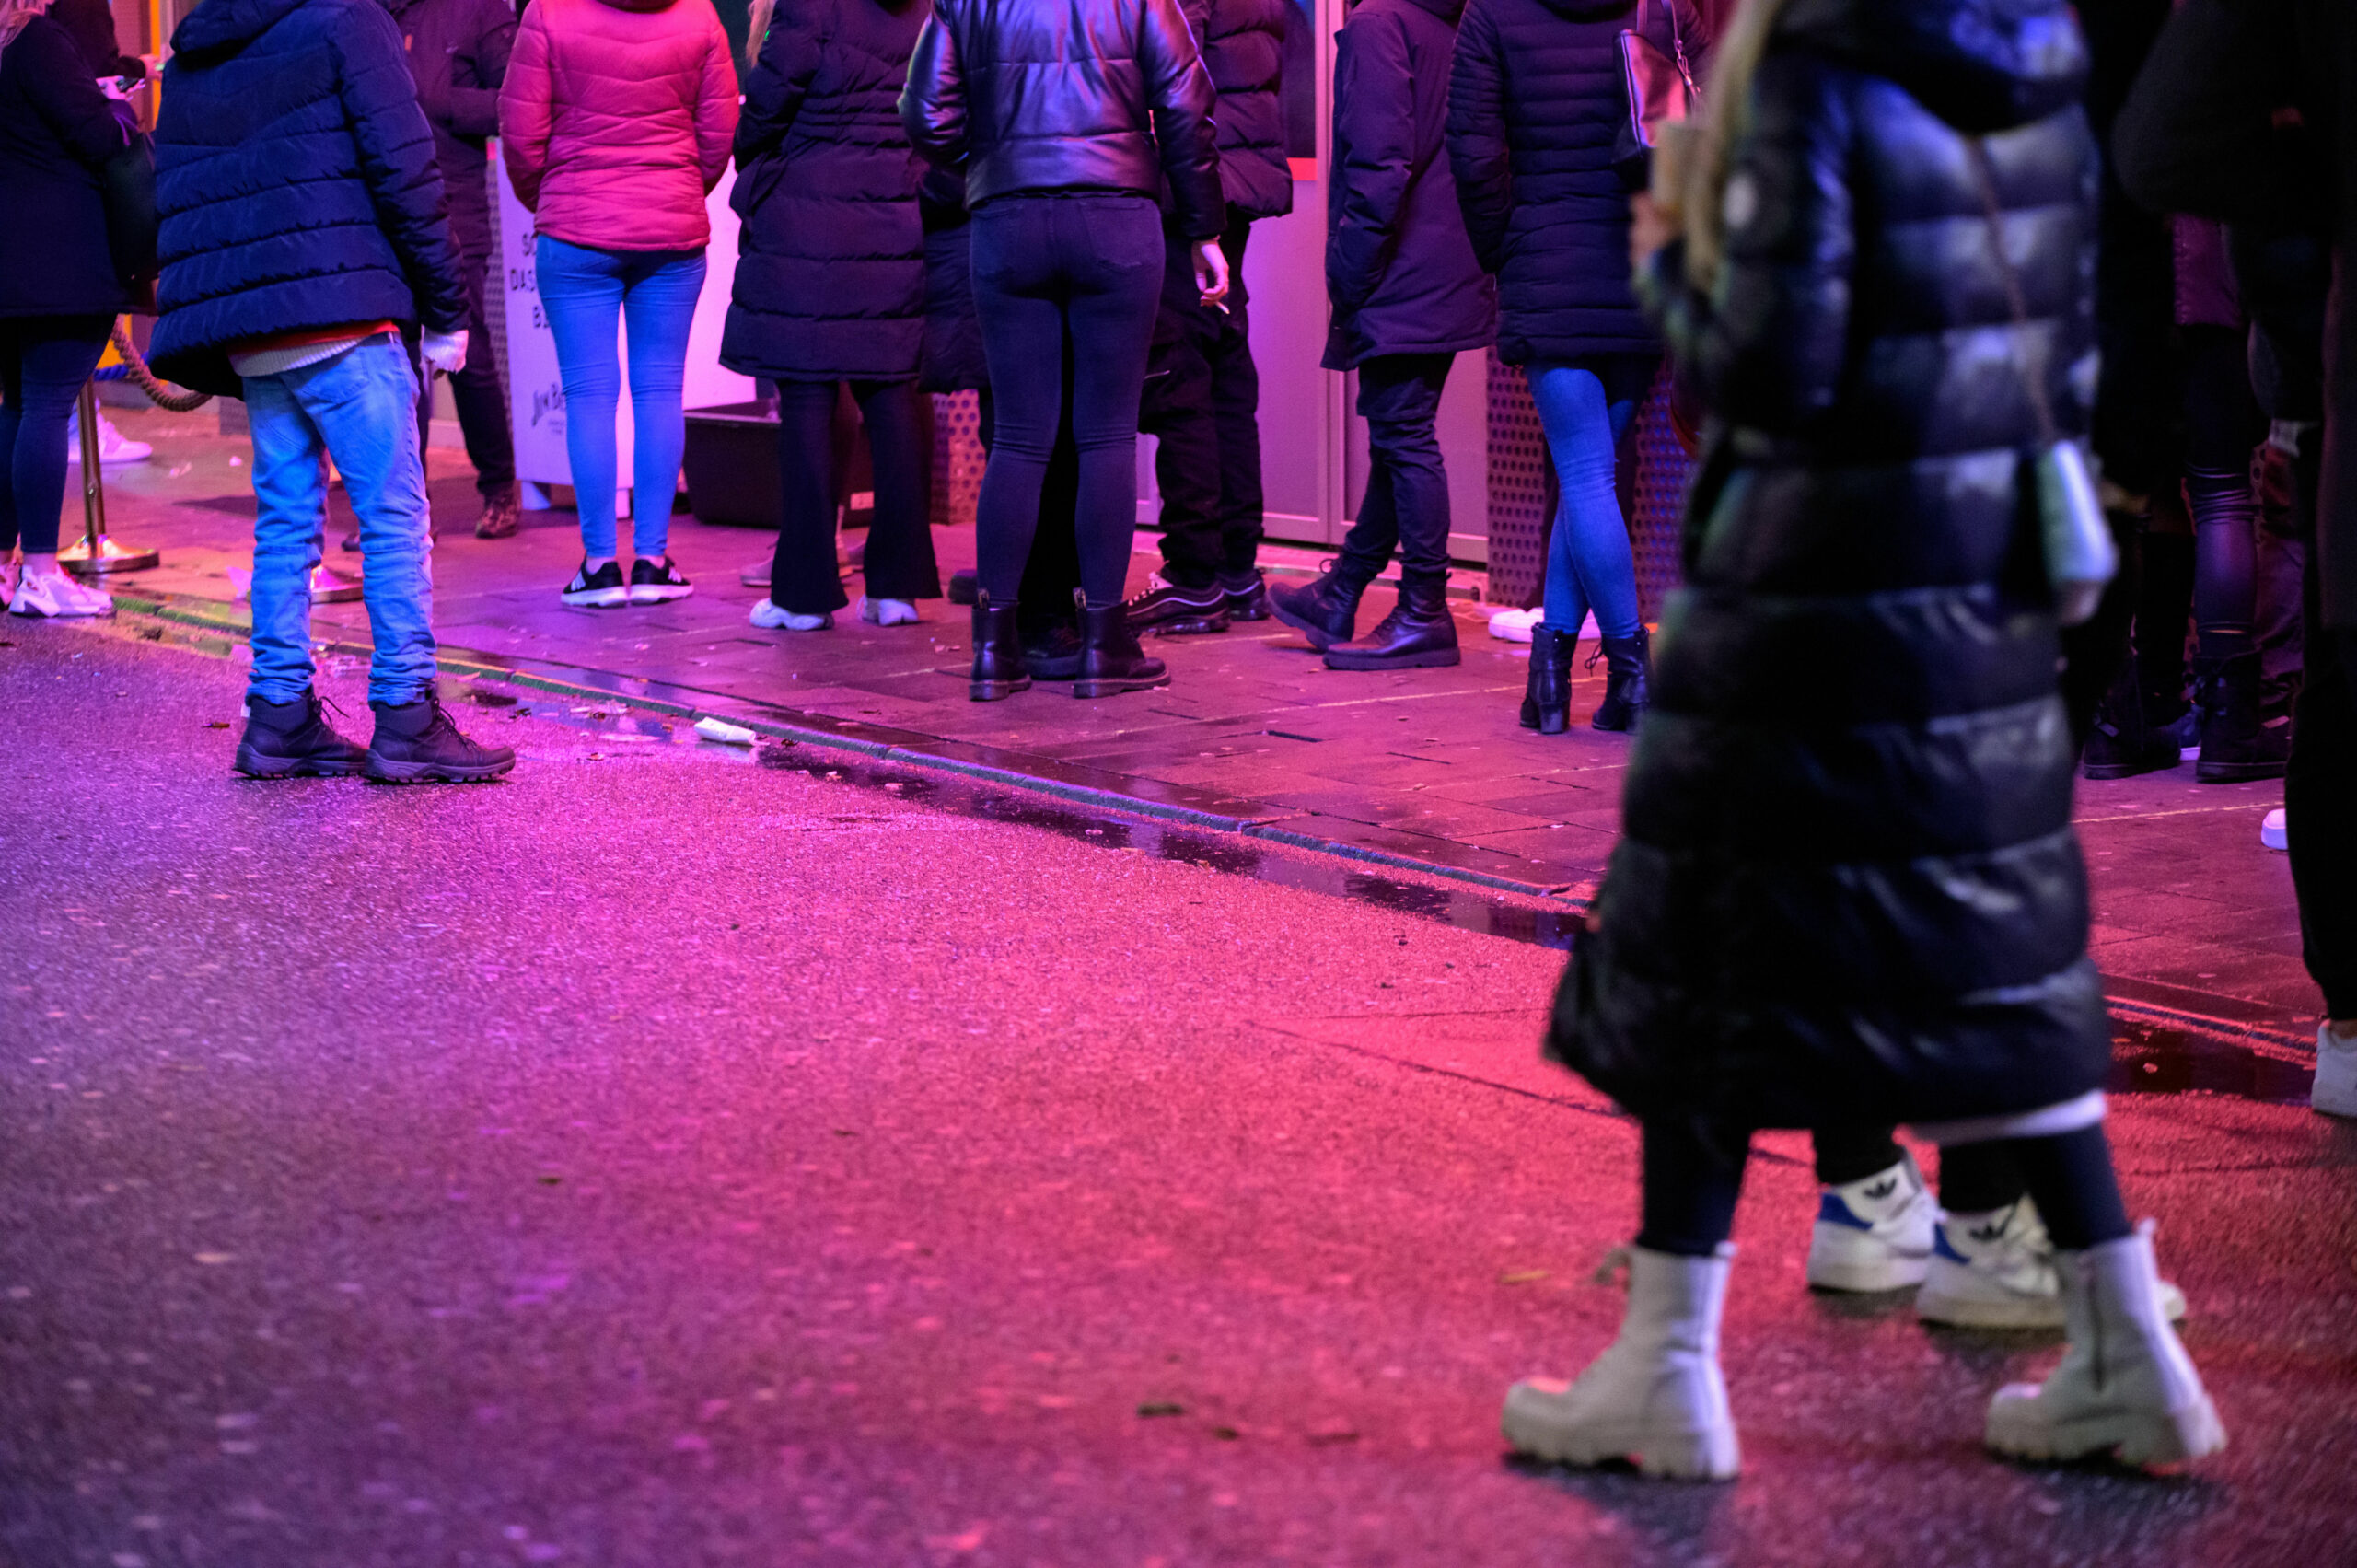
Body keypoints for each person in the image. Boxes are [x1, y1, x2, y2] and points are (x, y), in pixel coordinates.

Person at [1513, 0, 2223, 1479]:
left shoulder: (1821, 68)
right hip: (1970, 581)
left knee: (1708, 942)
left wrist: (1671, 240)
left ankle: (1665, 1365)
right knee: (1985, 953)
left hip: (1815, 587)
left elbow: (1776, 369)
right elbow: (2067, 327)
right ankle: (2125, 1346)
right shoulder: (2027, 58)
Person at [149, 0, 514, 782]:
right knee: (392, 517)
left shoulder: (192, 53)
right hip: (347, 313)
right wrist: (449, 308)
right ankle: (408, 716)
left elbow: (177, 191)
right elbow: (406, 169)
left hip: (255, 329)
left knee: (284, 524)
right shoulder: (348, 21)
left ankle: (277, 718)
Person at [2113, 0, 2357, 1118]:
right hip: (2236, 310)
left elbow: (2160, 140)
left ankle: (2168, 708)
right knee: (2218, 504)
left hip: (2191, 312)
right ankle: (2220, 714)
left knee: (2195, 508)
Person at [900, 0, 1227, 702]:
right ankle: (1104, 646)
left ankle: (995, 651)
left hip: (1007, 218)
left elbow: (925, 114)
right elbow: (1185, 104)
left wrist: (996, 163)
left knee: (1019, 438)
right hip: (1116, 213)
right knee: (1107, 434)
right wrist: (1204, 228)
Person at [1447, 0, 1701, 729]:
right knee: (1588, 472)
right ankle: (1549, 679)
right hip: (1635, 263)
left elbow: (1472, 149)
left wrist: (1506, 246)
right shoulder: (1658, 3)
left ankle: (1633, 675)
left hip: (1547, 261)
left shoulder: (1491, 14)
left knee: (1584, 475)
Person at [1268, 0, 1494, 672]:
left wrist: (1348, 268)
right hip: (1447, 260)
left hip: (1402, 265)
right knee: (1403, 431)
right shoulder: (1446, 24)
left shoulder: (1378, 24)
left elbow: (1377, 161)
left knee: (1404, 435)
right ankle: (1342, 589)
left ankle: (1424, 609)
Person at [501, 0, 737, 609]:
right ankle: (655, 562)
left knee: (589, 395)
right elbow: (717, 135)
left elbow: (520, 137)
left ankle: (600, 567)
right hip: (672, 232)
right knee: (660, 392)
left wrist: (553, 198)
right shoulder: (700, 16)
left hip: (576, 231)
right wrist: (679, 188)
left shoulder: (549, 13)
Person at [725, 0, 940, 633]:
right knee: (895, 395)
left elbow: (768, 99)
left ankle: (803, 593)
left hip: (807, 221)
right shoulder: (924, 6)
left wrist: (751, 160)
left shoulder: (809, 3)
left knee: (809, 402)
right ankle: (896, 588)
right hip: (896, 210)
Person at [1123, 0, 1293, 636]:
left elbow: (1172, 70)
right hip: (1243, 174)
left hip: (1195, 179)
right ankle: (1238, 567)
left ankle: (1194, 575)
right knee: (1224, 365)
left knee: (1182, 379)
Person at [347, 0, 521, 545]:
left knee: (469, 353)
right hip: (379, 212)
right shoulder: (363, 13)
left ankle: (498, 487)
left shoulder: (477, 8)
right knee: (392, 360)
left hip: (454, 209)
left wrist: (440, 103)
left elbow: (516, 101)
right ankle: (404, 506)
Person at [0, 0, 130, 619]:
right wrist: (113, 101)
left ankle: (4, 565)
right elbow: (99, 136)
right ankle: (42, 573)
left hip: (8, 264)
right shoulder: (39, 42)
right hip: (58, 257)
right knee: (47, 405)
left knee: (17, 407)